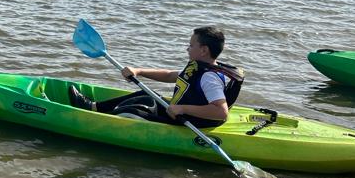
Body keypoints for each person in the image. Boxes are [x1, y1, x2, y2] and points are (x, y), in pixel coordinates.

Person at [69, 26, 243, 128]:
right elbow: (171, 75)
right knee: (145, 95)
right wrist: (139, 71)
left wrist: (182, 109)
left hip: (190, 122)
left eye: (191, 45)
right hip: (178, 112)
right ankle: (94, 107)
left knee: (131, 112)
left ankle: (94, 122)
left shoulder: (209, 78)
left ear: (204, 50)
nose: (187, 48)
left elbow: (221, 112)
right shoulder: (198, 66)